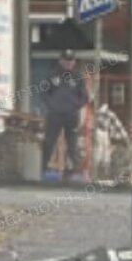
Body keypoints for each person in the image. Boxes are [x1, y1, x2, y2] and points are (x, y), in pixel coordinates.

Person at [41, 49, 89, 177]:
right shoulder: (52, 75)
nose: (68, 63)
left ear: (74, 62)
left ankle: (75, 171)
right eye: (66, 60)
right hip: (55, 115)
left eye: (71, 61)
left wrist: (74, 106)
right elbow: (44, 93)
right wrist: (52, 105)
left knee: (72, 144)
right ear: (60, 61)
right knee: (49, 142)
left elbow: (84, 97)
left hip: (71, 116)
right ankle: (42, 169)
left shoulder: (78, 77)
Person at [95, 103, 132, 184]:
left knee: (104, 155)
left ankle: (103, 173)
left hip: (107, 135)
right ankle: (102, 173)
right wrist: (126, 138)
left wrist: (125, 138)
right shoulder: (109, 115)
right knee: (102, 154)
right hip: (104, 134)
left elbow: (119, 127)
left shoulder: (109, 115)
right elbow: (119, 127)